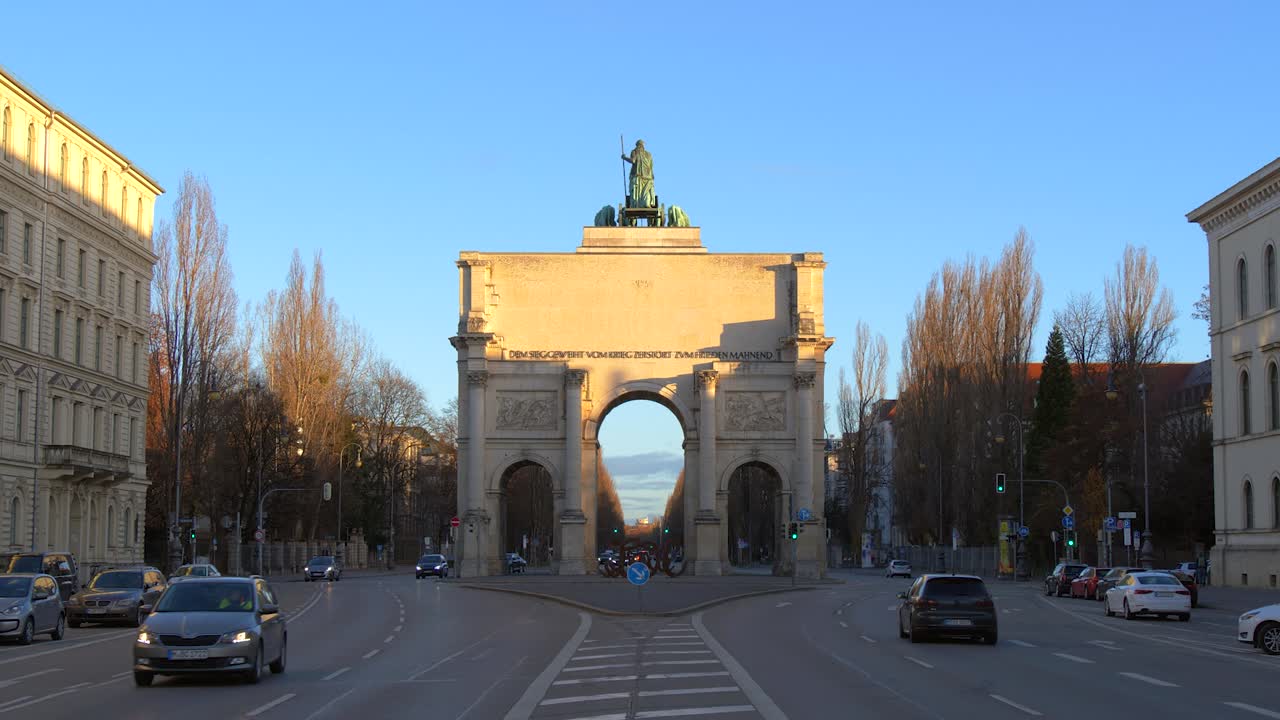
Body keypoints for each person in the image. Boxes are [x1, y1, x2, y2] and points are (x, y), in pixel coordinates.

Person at [621, 140, 655, 209]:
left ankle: (635, 204)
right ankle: (646, 203)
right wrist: (652, 176)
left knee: (635, 192)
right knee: (646, 192)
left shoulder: (635, 151)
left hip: (637, 176)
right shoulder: (649, 154)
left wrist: (624, 157)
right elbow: (651, 166)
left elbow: (633, 160)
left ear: (637, 145)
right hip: (648, 177)